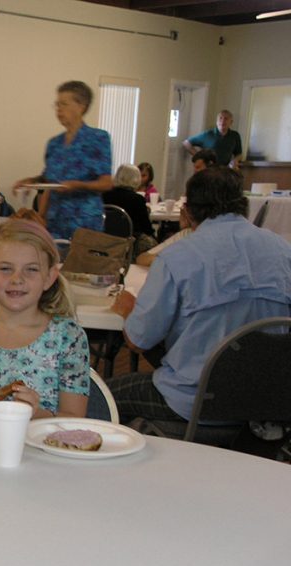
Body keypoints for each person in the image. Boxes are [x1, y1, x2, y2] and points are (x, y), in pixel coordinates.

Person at [107, 167, 291, 425]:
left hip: (195, 401)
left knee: (99, 396)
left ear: (188, 210)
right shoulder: (283, 250)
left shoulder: (177, 257)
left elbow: (138, 340)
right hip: (268, 403)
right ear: (243, 205)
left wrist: (128, 309)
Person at [0, 219, 89, 425]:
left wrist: (35, 413)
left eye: (31, 269)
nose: (17, 279)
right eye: (5, 268)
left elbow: (75, 421)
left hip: (45, 454)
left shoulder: (68, 337)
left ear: (49, 277)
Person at [13, 80, 112, 241]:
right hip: (55, 221)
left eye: (64, 104)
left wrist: (77, 185)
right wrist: (29, 182)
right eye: (57, 105)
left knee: (80, 265)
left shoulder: (98, 138)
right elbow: (48, 181)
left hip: (85, 221)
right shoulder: (54, 143)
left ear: (81, 106)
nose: (58, 110)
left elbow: (106, 183)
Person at [102, 164, 157, 255]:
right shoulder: (137, 199)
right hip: (130, 241)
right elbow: (146, 228)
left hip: (107, 238)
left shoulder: (104, 195)